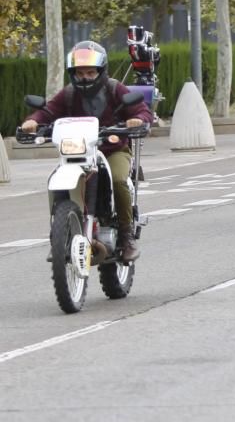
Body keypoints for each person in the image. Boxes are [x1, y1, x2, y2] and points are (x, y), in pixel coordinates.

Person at [20, 41, 153, 262]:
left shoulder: (114, 88)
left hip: (113, 150)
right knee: (55, 180)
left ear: (101, 71)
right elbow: (48, 111)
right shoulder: (69, 94)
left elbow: (141, 110)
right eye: (80, 73)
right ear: (73, 73)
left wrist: (137, 119)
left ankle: (126, 236)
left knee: (119, 180)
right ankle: (59, 235)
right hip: (78, 153)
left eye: (91, 72)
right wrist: (32, 122)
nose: (85, 77)